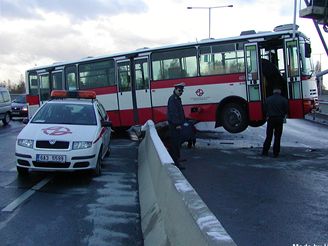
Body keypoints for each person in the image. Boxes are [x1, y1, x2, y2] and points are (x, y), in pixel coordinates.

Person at [262, 88, 289, 157]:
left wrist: (267, 114)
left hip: (270, 119)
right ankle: (276, 153)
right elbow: (286, 109)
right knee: (277, 136)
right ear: (280, 92)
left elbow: (264, 109)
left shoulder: (268, 99)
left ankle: (265, 151)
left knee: (269, 136)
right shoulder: (283, 100)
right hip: (279, 119)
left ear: (273, 92)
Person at [167, 82, 186, 169]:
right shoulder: (173, 99)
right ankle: (176, 162)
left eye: (182, 91)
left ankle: (178, 159)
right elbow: (173, 113)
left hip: (177, 124)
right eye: (179, 90)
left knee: (177, 143)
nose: (181, 92)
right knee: (175, 144)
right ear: (175, 89)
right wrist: (177, 124)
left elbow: (180, 112)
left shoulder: (177, 98)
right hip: (174, 125)